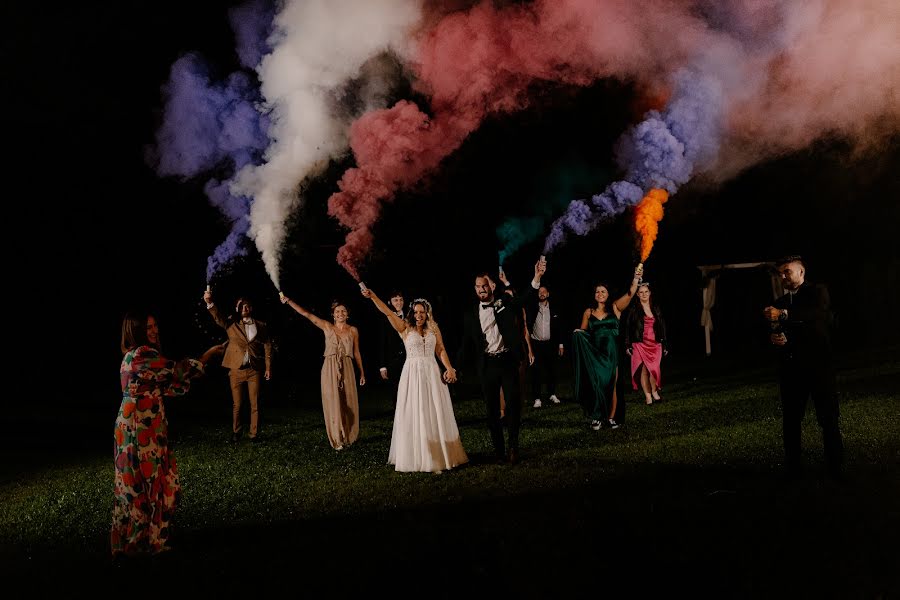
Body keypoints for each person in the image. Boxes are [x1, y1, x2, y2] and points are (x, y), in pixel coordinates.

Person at [112, 310, 224, 557]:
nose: (155, 331)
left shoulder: (141, 357)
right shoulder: (140, 355)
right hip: (137, 428)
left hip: (148, 427)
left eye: (155, 326)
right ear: (137, 330)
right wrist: (206, 356)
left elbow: (169, 386)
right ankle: (139, 544)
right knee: (143, 484)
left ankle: (151, 540)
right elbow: (176, 371)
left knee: (154, 481)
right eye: (149, 327)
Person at [362, 288, 468, 473]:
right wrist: (374, 297)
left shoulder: (433, 328)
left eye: (422, 312)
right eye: (416, 312)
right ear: (412, 313)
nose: (418, 315)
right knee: (415, 411)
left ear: (427, 313)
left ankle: (439, 454)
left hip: (433, 373)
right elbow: (386, 311)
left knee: (434, 411)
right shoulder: (404, 327)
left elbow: (441, 349)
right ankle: (419, 455)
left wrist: (449, 368)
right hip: (412, 375)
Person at [456, 258, 547, 465]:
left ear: (491, 286)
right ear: (475, 289)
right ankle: (499, 450)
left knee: (513, 406)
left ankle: (513, 446)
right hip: (487, 365)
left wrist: (537, 277)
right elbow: (465, 344)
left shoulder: (503, 302)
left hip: (507, 361)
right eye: (478, 286)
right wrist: (453, 367)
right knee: (492, 411)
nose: (481, 289)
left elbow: (523, 300)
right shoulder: (470, 314)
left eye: (484, 285)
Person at [764, 255, 843, 478]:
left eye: (787, 271)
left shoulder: (817, 292)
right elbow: (778, 330)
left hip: (819, 368)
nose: (782, 276)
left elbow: (816, 314)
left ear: (801, 272)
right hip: (792, 372)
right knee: (791, 421)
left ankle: (835, 467)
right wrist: (775, 337)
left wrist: (785, 315)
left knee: (828, 419)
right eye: (780, 273)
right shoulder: (779, 302)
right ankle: (794, 468)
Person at [281, 295, 365, 450]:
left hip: (347, 365)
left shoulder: (353, 330)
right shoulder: (327, 326)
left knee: (349, 401)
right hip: (330, 366)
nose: (340, 313)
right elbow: (307, 315)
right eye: (337, 311)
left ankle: (349, 436)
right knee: (333, 402)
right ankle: (336, 439)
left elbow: (357, 352)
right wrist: (289, 301)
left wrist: (361, 372)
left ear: (348, 314)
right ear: (333, 314)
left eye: (343, 311)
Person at [572, 265, 643, 431]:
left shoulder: (615, 308)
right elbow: (584, 333)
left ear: (608, 294)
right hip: (595, 354)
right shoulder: (588, 312)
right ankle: (597, 417)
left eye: (603, 291)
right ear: (594, 295)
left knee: (612, 385)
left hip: (612, 353)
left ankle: (611, 418)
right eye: (597, 292)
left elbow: (631, 294)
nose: (600, 294)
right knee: (597, 384)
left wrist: (636, 278)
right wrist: (578, 333)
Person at [204, 290, 273, 443]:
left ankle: (254, 434)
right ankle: (236, 432)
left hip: (254, 370)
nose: (244, 308)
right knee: (238, 404)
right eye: (241, 306)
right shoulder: (231, 323)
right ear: (237, 309)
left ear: (251, 308)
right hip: (235, 370)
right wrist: (209, 302)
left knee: (254, 404)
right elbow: (218, 318)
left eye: (247, 306)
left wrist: (268, 367)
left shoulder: (261, 325)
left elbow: (267, 345)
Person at [624, 282, 668, 405]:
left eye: (646, 292)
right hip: (640, 343)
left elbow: (662, 327)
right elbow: (627, 328)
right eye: (641, 292)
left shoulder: (656, 308)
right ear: (637, 294)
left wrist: (665, 344)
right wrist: (627, 345)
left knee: (654, 369)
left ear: (650, 293)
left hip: (655, 344)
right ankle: (648, 396)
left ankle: (654, 391)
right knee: (643, 370)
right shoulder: (634, 310)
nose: (644, 294)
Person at [526, 285, 564, 408]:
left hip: (550, 344)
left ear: (548, 294)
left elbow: (559, 328)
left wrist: (560, 344)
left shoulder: (554, 309)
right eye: (539, 292)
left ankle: (552, 393)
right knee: (536, 371)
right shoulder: (532, 307)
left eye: (544, 292)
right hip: (536, 344)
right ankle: (537, 398)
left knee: (552, 370)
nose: (542, 293)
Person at [377, 291, 407, 402]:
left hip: (409, 358)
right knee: (396, 388)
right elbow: (382, 343)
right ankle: (397, 414)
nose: (399, 302)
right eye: (396, 300)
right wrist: (382, 366)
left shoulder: (410, 316)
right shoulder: (385, 319)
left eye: (401, 299)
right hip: (392, 361)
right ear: (390, 302)